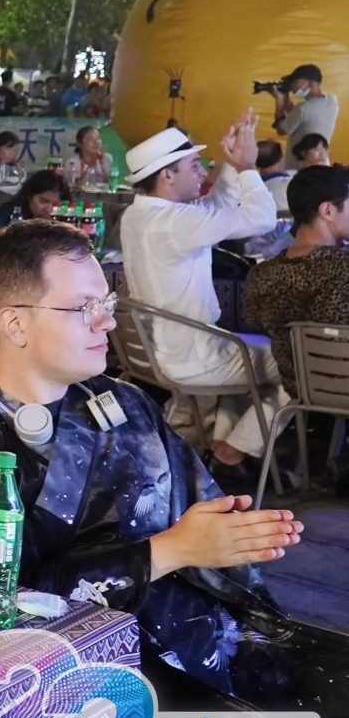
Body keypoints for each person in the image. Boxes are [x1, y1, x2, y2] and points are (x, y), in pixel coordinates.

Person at [0, 220, 349, 718]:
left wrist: (227, 536)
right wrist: (169, 551)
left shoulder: (124, 402)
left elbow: (197, 510)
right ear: (15, 324)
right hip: (83, 678)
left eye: (107, 303)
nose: (107, 322)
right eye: (85, 307)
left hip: (192, 629)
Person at [119, 112, 286, 478]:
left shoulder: (141, 215)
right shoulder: (176, 223)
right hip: (193, 355)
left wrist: (231, 164)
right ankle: (232, 453)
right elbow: (261, 219)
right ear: (167, 175)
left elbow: (216, 209)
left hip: (168, 350)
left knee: (256, 356)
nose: (202, 171)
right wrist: (247, 168)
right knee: (296, 366)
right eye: (194, 165)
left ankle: (220, 450)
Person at [244, 165, 349, 398]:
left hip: (302, 388)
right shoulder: (342, 269)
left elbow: (253, 319)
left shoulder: (261, 275)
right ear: (328, 210)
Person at [0, 168, 71, 235]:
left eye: (56, 204)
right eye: (43, 201)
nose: (49, 209)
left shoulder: (67, 221)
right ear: (29, 197)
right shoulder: (13, 212)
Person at [273, 63, 337, 167]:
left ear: (307, 83)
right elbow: (301, 116)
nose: (292, 87)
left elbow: (282, 130)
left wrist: (279, 101)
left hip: (301, 165)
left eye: (294, 82)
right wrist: (286, 99)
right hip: (322, 159)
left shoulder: (302, 109)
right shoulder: (332, 100)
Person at [67, 125, 114, 191]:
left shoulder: (107, 158)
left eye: (98, 138)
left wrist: (102, 162)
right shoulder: (72, 163)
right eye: (90, 139)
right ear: (80, 144)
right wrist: (90, 166)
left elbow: (111, 183)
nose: (96, 142)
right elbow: (74, 187)